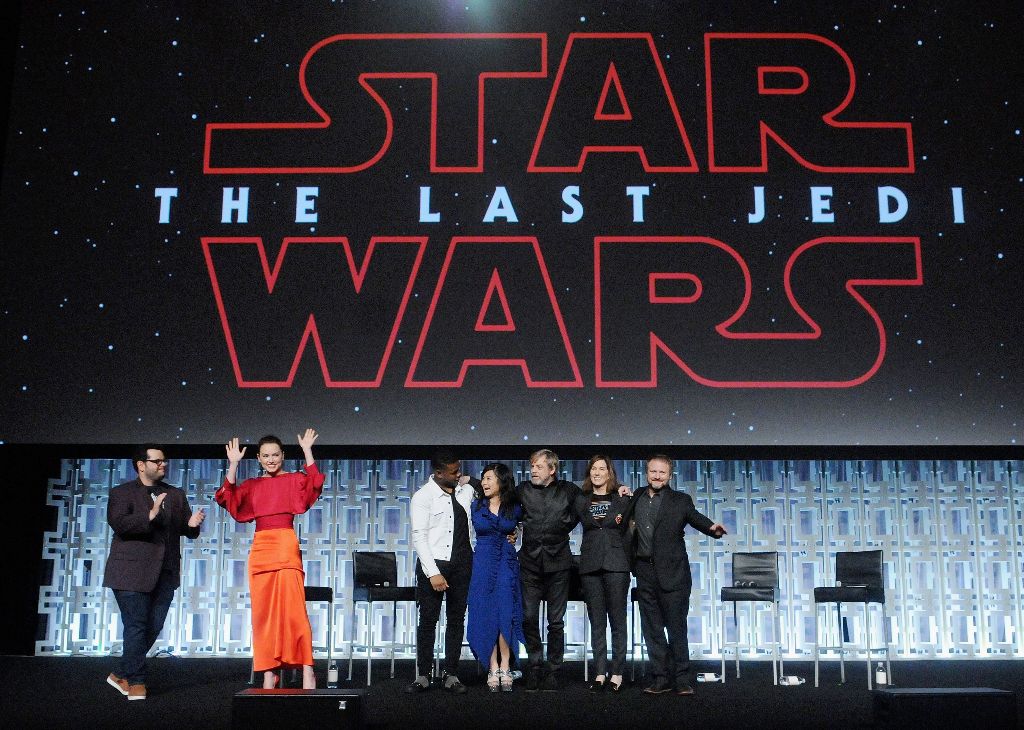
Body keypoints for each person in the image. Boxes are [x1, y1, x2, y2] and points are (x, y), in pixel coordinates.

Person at [215, 429, 325, 689]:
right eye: (266, 456)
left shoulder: (294, 479)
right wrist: (233, 465)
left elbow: (316, 482)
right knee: (263, 617)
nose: (271, 459)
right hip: (261, 549)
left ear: (283, 455)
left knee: (295, 613)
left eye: (275, 454)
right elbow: (226, 497)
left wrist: (308, 450)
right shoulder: (253, 485)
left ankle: (307, 668)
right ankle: (268, 671)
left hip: (286, 545)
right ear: (258, 458)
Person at [103, 444, 206, 700]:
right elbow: (119, 524)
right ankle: (136, 681)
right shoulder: (122, 493)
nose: (163, 465)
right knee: (136, 625)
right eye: (157, 461)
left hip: (165, 572)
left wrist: (192, 526)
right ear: (141, 464)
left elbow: (185, 529)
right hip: (130, 572)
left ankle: (120, 674)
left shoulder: (175, 494)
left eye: (164, 461)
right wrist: (148, 515)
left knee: (154, 625)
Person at [619, 455, 727, 696]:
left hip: (674, 574)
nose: (657, 476)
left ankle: (682, 678)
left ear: (670, 475)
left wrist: (713, 529)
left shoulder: (680, 500)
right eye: (653, 471)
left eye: (662, 473)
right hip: (644, 571)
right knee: (652, 629)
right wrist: (619, 489)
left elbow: (695, 518)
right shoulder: (635, 496)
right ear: (646, 472)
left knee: (676, 628)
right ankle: (660, 678)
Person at [406, 451, 474, 694]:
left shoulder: (464, 491)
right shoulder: (423, 497)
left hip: (463, 564)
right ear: (438, 473)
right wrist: (433, 573)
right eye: (454, 472)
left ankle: (451, 674)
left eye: (459, 470)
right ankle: (423, 674)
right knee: (428, 621)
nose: (458, 475)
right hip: (434, 564)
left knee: (456, 620)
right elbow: (419, 537)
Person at [574, 455, 631, 692]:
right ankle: (599, 672)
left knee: (617, 621)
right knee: (597, 622)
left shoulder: (623, 498)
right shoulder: (580, 499)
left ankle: (617, 672)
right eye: (593, 469)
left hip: (617, 564)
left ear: (609, 473)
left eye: (602, 468)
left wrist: (621, 489)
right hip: (589, 565)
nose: (597, 472)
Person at [467, 463, 525, 692]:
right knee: (486, 612)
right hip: (482, 562)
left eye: (490, 478)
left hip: (507, 563)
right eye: (483, 478)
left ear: (502, 481)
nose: (485, 482)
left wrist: (517, 534)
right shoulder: (476, 505)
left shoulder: (514, 507)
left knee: (505, 612)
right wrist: (467, 480)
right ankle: (492, 666)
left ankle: (505, 665)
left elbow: (523, 527)